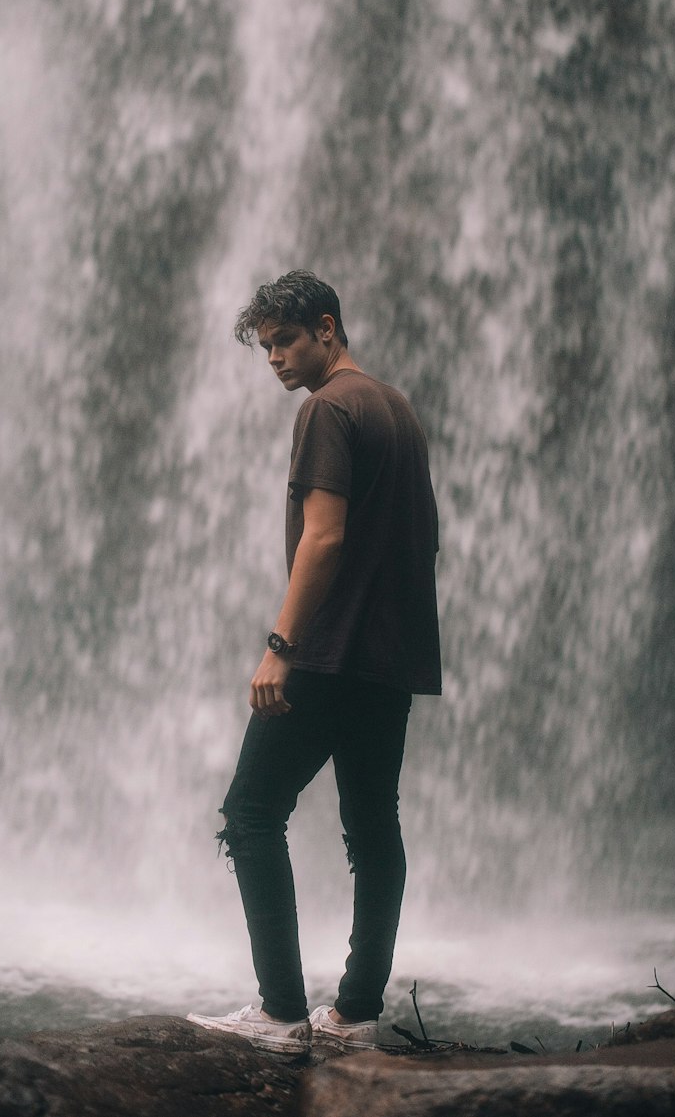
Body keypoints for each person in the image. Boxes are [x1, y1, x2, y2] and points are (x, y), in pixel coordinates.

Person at [187, 269, 441, 1054]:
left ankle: (281, 1010)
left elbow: (322, 538)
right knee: (373, 828)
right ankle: (357, 1015)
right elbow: (423, 539)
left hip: (328, 652)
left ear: (326, 328)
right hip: (389, 658)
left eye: (285, 340)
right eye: (266, 347)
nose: (275, 360)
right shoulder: (396, 409)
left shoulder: (328, 409)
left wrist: (279, 646)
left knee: (251, 814)